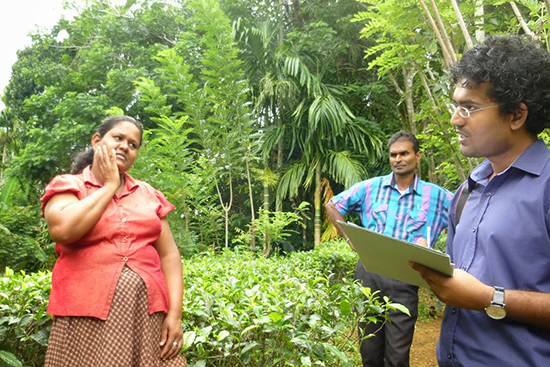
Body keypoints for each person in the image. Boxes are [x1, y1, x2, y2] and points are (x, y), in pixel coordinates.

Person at [410, 35, 550, 367]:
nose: (456, 120)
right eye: (456, 105)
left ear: (517, 115)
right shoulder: (466, 191)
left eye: (469, 107)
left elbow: (479, 294)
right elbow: (462, 283)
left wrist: (490, 298)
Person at [40, 116, 187, 367]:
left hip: (146, 317)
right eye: (118, 138)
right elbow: (63, 230)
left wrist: (174, 314)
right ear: (97, 140)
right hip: (85, 315)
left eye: (133, 144)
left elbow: (169, 256)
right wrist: (109, 185)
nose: (125, 146)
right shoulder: (69, 185)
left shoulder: (148, 194)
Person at [326, 131, 452, 367]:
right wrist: (349, 237)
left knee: (398, 353)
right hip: (368, 273)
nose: (398, 159)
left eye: (404, 153)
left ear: (418, 156)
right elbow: (333, 205)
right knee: (369, 349)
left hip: (406, 277)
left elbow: (464, 219)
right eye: (393, 154)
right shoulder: (371, 187)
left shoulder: (437, 196)